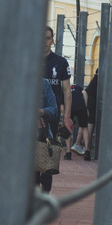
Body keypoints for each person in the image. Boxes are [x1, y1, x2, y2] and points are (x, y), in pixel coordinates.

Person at [42, 26, 72, 192]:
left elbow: (67, 91)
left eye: (47, 38)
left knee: (48, 154)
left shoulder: (60, 63)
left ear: (52, 40)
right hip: (32, 116)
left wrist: (66, 117)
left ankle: (45, 192)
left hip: (52, 116)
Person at [36, 79, 58, 193]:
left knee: (46, 180)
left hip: (42, 138)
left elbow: (54, 110)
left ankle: (42, 204)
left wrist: (41, 112)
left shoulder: (44, 83)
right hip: (20, 139)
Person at [66, 84, 90, 160]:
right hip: (81, 106)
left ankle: (68, 153)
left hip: (70, 107)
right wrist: (86, 107)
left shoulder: (64, 88)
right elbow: (85, 93)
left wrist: (66, 115)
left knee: (68, 128)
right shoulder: (77, 87)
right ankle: (87, 151)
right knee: (84, 127)